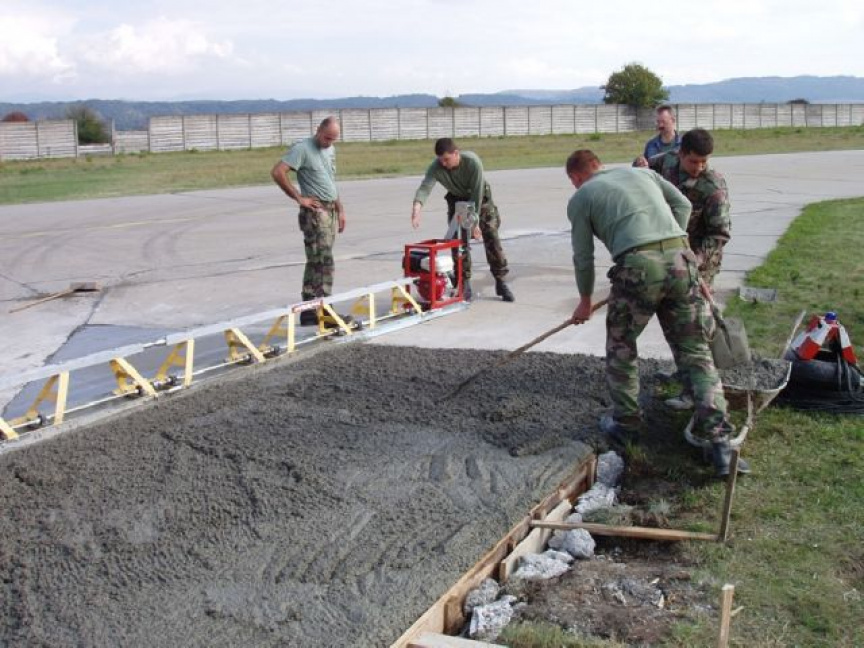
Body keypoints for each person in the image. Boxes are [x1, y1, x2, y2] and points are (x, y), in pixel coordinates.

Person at [565, 149, 749, 477]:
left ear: (576, 177)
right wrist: (671, 247)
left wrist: (585, 300)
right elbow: (683, 205)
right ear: (600, 165)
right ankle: (719, 444)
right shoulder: (643, 173)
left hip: (638, 267)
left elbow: (583, 256)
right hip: (681, 261)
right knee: (695, 351)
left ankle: (627, 425)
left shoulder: (582, 197)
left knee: (621, 347)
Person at [648, 128, 731, 410]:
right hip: (670, 254)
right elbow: (647, 167)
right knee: (672, 321)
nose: (699, 167)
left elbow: (719, 234)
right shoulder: (668, 160)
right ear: (681, 154)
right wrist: (640, 165)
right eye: (694, 161)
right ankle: (684, 372)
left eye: (704, 161)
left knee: (692, 327)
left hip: (700, 262)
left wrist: (695, 259)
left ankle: (694, 391)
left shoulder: (713, 186)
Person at [410, 138, 514, 302]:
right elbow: (425, 187)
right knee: (457, 242)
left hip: (480, 201)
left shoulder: (472, 162)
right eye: (440, 160)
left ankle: (501, 281)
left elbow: (477, 194)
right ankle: (464, 283)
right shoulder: (436, 167)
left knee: (491, 236)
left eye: (447, 159)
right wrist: (417, 207)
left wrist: (475, 223)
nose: (443, 164)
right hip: (457, 202)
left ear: (456, 153)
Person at [271, 117, 347, 326]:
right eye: (327, 138)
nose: (329, 142)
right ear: (318, 130)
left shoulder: (329, 150)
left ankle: (309, 310)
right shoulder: (302, 149)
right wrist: (299, 197)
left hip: (329, 209)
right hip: (315, 212)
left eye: (333, 139)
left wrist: (340, 208)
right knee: (324, 261)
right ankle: (324, 309)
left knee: (316, 261)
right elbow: (278, 172)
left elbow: (330, 181)